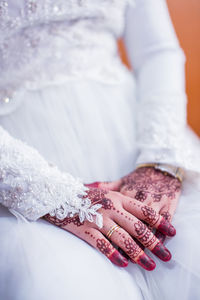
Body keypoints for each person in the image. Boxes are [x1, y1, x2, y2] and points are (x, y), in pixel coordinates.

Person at [0, 0, 200, 299]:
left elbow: (158, 52)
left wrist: (161, 160)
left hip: (136, 142)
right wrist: (58, 198)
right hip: (23, 170)